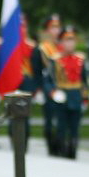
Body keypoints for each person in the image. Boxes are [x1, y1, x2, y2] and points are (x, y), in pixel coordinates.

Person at [48, 25, 89, 158]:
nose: (70, 43)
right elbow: (49, 80)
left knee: (75, 127)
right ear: (61, 42)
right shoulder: (55, 60)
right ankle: (61, 150)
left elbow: (84, 81)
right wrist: (53, 93)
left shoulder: (80, 59)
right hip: (62, 96)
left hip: (76, 96)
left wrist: (86, 98)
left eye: (72, 40)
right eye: (67, 40)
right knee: (61, 126)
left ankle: (72, 150)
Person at [33, 15, 65, 156]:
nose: (56, 30)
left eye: (58, 27)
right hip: (48, 87)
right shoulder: (42, 49)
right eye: (53, 27)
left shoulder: (64, 47)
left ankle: (61, 143)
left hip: (64, 87)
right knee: (49, 119)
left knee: (63, 118)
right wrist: (39, 89)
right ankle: (51, 146)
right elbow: (37, 71)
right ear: (47, 30)